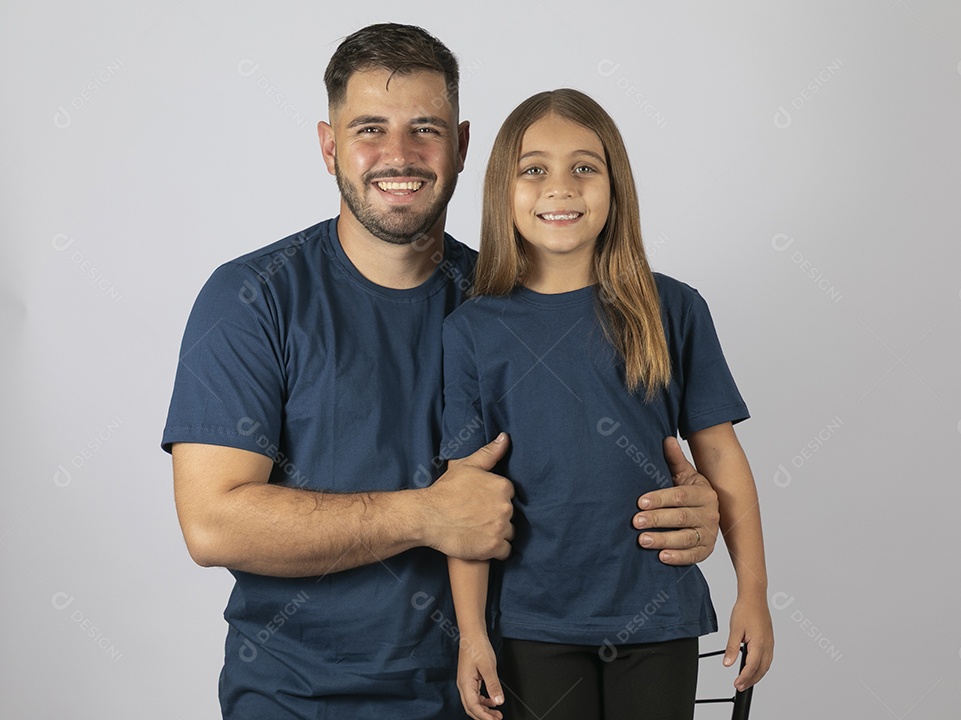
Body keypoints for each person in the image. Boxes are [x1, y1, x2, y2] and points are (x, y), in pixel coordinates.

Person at [162, 24, 725, 718]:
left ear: (461, 147)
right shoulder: (254, 297)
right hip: (301, 698)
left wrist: (689, 511)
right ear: (328, 145)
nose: (398, 155)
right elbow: (214, 523)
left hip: (499, 692)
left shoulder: (513, 302)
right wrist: (426, 514)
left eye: (424, 129)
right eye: (370, 127)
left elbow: (603, 460)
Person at [442, 89, 774, 720]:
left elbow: (721, 454)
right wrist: (472, 634)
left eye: (584, 168)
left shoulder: (674, 309)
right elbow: (466, 495)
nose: (559, 188)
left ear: (615, 185)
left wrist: (751, 592)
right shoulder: (471, 332)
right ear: (500, 190)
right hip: (534, 623)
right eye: (533, 169)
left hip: (658, 614)